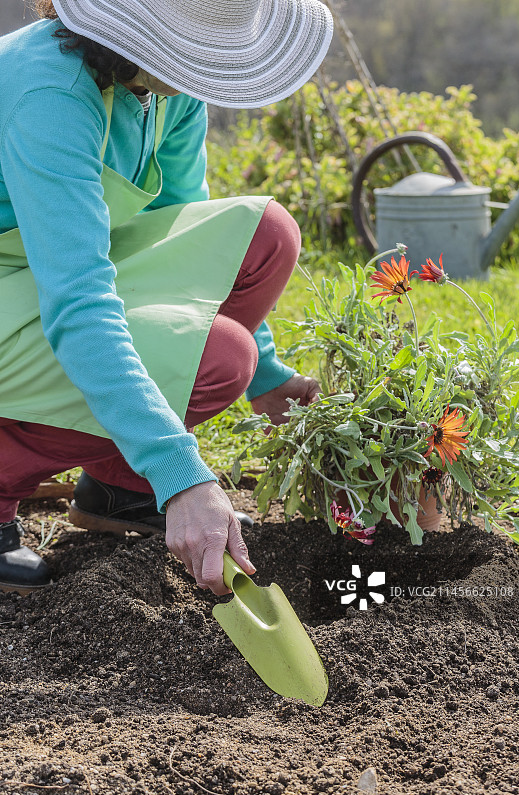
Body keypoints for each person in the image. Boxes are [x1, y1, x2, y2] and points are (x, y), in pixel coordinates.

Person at [0, 0, 333, 596]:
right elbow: (78, 301)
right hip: (38, 285)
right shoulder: (50, 94)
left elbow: (191, 236)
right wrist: (180, 472)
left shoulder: (166, 88)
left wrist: (269, 378)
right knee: (217, 360)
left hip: (47, 273)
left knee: (264, 236)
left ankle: (121, 481)